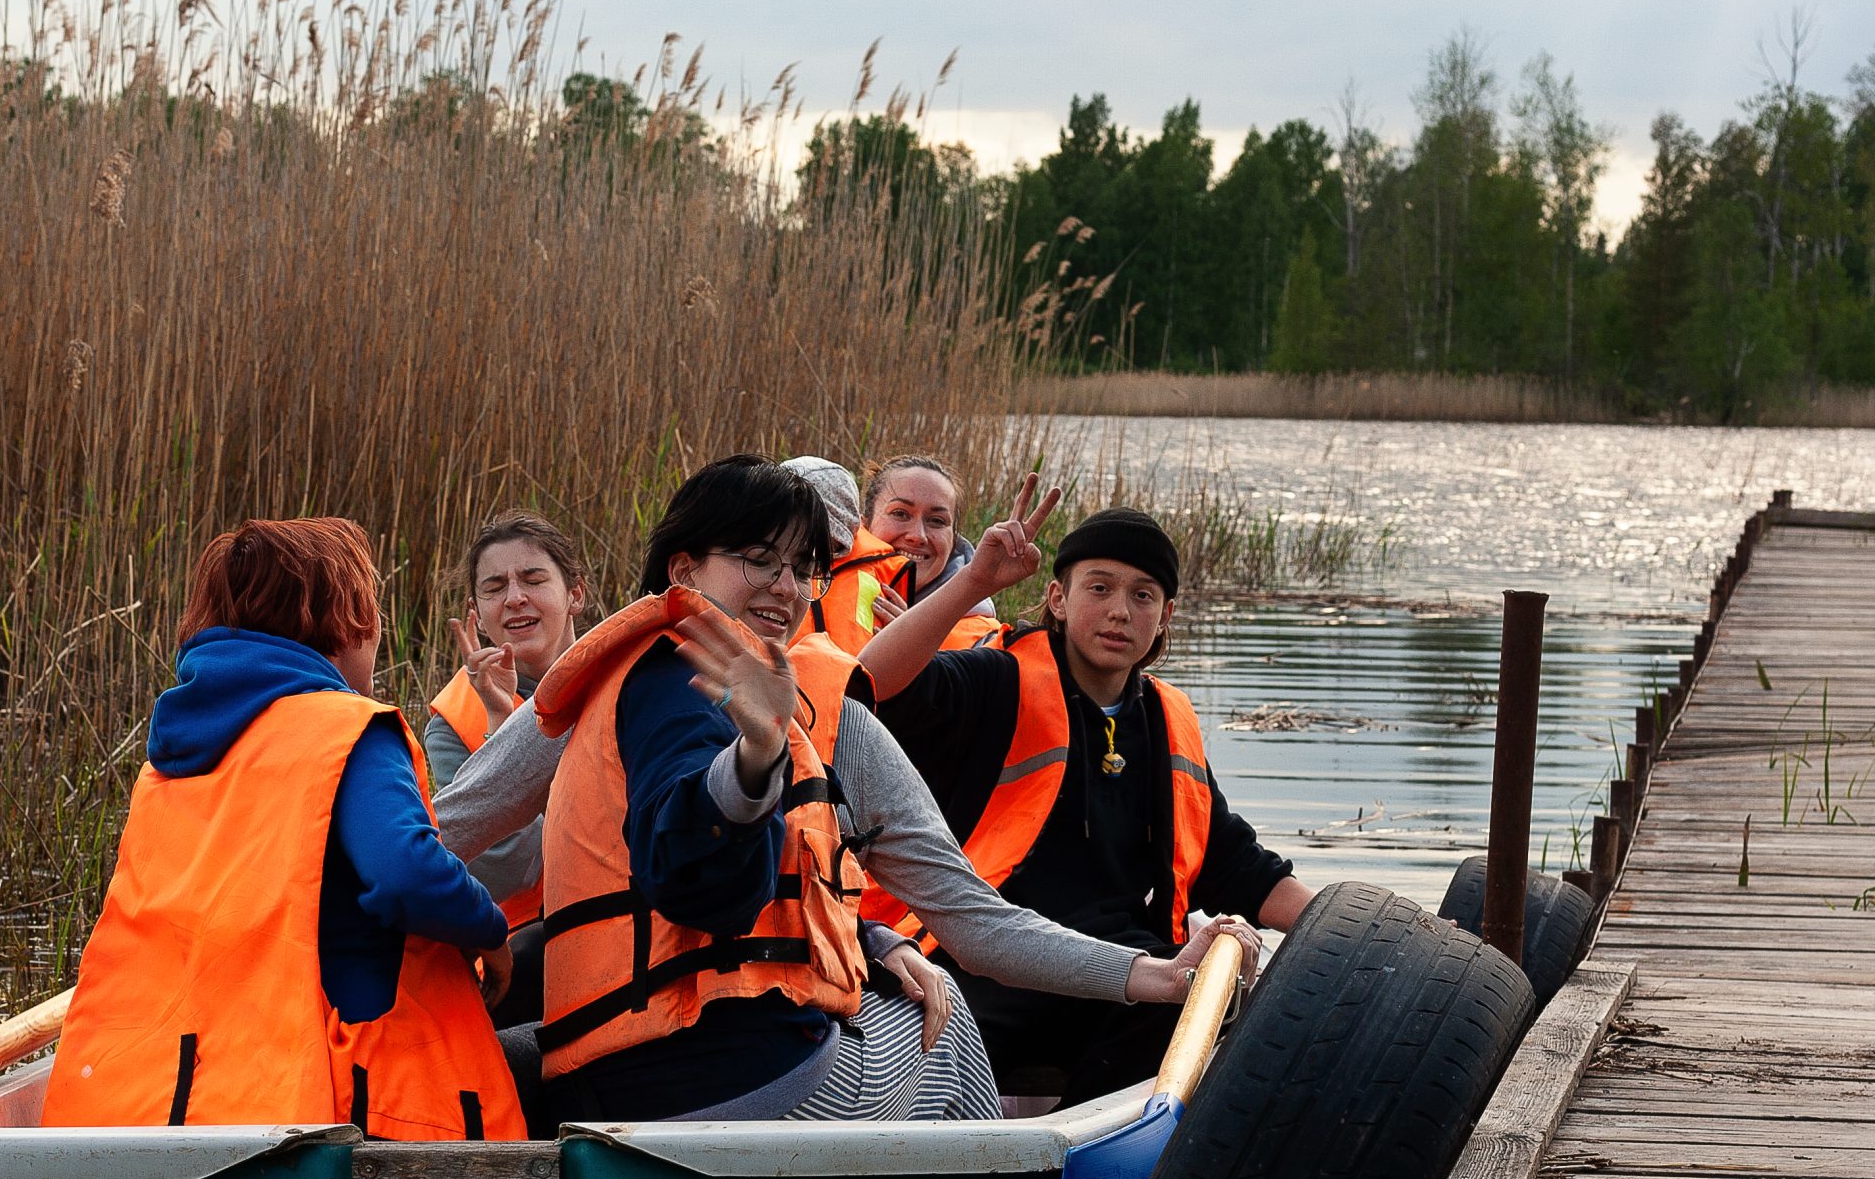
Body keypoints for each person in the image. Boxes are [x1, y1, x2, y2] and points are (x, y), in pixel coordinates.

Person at [434, 456, 1257, 1125]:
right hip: (741, 1078)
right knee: (951, 1022)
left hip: (607, 1069)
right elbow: (964, 924)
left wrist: (1148, 973)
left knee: (919, 977)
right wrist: (756, 755)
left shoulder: (598, 677)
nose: (786, 588)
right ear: (684, 566)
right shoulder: (815, 710)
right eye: (759, 561)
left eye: (802, 568)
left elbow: (439, 832)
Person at [44, 517, 526, 1141]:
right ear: (347, 621)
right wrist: (489, 933)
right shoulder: (346, 729)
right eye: (371, 612)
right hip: (338, 1112)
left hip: (168, 1105)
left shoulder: (169, 762)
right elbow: (406, 871)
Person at [859, 499, 1314, 1106]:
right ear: (1058, 599)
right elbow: (868, 689)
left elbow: (1235, 864)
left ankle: (1090, 1173)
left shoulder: (1166, 722)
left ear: (1165, 617)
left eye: (1143, 596)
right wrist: (975, 581)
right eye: (1099, 588)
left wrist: (1361, 927)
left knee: (1214, 1016)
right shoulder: (996, 680)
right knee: (935, 1036)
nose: (1120, 611)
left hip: (1125, 972)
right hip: (991, 963)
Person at [424, 513, 587, 930]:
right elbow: (505, 865)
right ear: (477, 614)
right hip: (529, 953)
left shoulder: (626, 681)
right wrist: (504, 723)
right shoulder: (450, 724)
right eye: (495, 588)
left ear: (575, 594)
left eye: (533, 580)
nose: (515, 598)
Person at [806, 454, 1003, 656]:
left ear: (953, 539)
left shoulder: (985, 641)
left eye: (937, 521)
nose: (918, 536)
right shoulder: (807, 582)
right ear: (864, 524)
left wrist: (913, 646)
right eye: (900, 514)